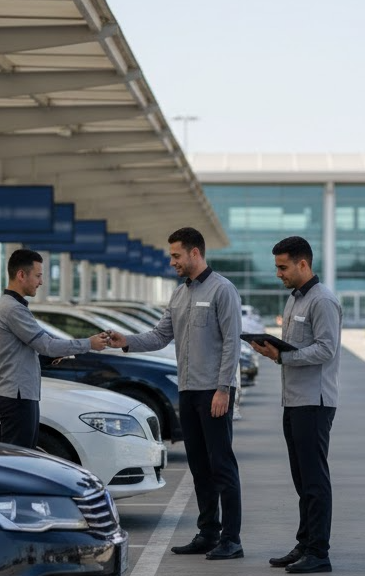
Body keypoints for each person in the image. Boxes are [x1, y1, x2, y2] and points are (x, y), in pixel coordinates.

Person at [106, 227, 244, 561]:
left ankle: (232, 539)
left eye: (176, 255)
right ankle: (208, 532)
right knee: (199, 466)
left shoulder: (223, 290)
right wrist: (126, 340)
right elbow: (158, 336)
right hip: (189, 391)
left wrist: (223, 389)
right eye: (172, 256)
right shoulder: (179, 295)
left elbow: (232, 342)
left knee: (221, 465)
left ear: (195, 253)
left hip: (214, 391)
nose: (172, 262)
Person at [251, 236, 341, 574]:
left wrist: (283, 355)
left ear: (303, 264)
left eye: (283, 267)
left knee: (315, 480)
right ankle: (305, 543)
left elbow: (326, 349)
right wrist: (276, 352)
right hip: (294, 400)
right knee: (301, 479)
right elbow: (293, 350)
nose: (278, 273)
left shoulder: (323, 301)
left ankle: (319, 553)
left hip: (315, 402)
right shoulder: (293, 301)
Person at [0, 249, 108, 449]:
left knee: (22, 453)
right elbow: (46, 345)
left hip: (19, 392)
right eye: (38, 276)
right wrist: (89, 343)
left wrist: (47, 355)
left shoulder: (14, 306)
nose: (41, 282)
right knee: (19, 457)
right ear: (21, 275)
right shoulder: (12, 308)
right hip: (16, 395)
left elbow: (33, 346)